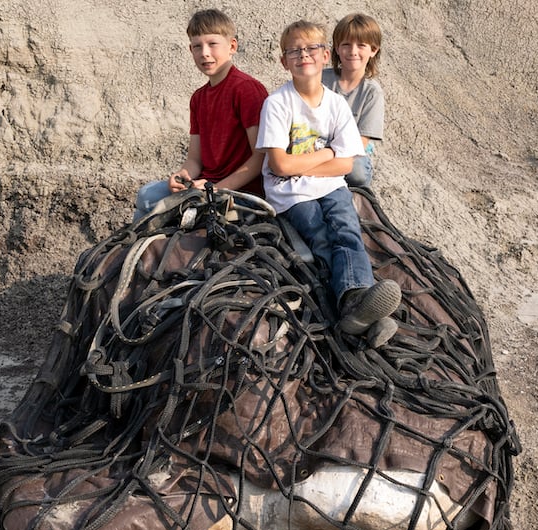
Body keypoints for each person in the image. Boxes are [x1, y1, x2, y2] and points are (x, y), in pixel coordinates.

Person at [256, 20, 400, 347]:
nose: (303, 55)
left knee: (347, 231)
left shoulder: (335, 104)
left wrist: (305, 165)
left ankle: (357, 301)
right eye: (294, 51)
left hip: (330, 185)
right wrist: (328, 153)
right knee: (320, 235)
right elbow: (279, 164)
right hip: (290, 194)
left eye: (310, 49)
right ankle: (355, 311)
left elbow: (347, 163)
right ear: (283, 61)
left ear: (324, 56)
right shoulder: (278, 104)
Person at [134, 9, 269, 220]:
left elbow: (260, 157)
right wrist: (181, 175)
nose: (204, 52)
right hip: (205, 185)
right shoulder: (198, 98)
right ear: (191, 50)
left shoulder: (246, 89)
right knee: (146, 195)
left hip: (239, 191)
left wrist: (216, 189)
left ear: (232, 46)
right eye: (197, 46)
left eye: (212, 44)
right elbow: (194, 160)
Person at [321, 13, 385, 188]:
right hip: (315, 146)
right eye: (346, 44)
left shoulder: (372, 92)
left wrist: (328, 156)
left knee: (357, 172)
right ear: (337, 47)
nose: (353, 51)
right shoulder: (320, 79)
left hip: (349, 153)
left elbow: (360, 143)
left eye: (361, 45)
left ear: (373, 50)